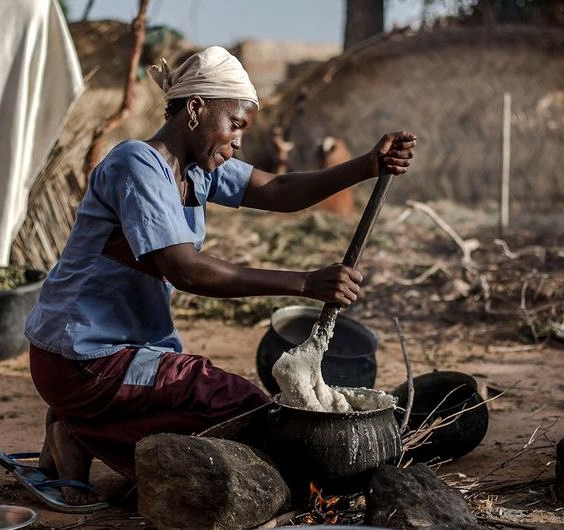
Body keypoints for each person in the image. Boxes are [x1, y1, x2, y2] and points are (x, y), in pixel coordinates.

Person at [23, 46, 417, 506]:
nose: (239, 142)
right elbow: (186, 270)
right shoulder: (136, 164)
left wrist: (367, 166)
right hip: (82, 357)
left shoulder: (199, 170)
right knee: (233, 403)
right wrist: (304, 283)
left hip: (121, 353)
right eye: (235, 125)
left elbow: (280, 190)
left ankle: (76, 431)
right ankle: (81, 421)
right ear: (195, 109)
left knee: (211, 429)